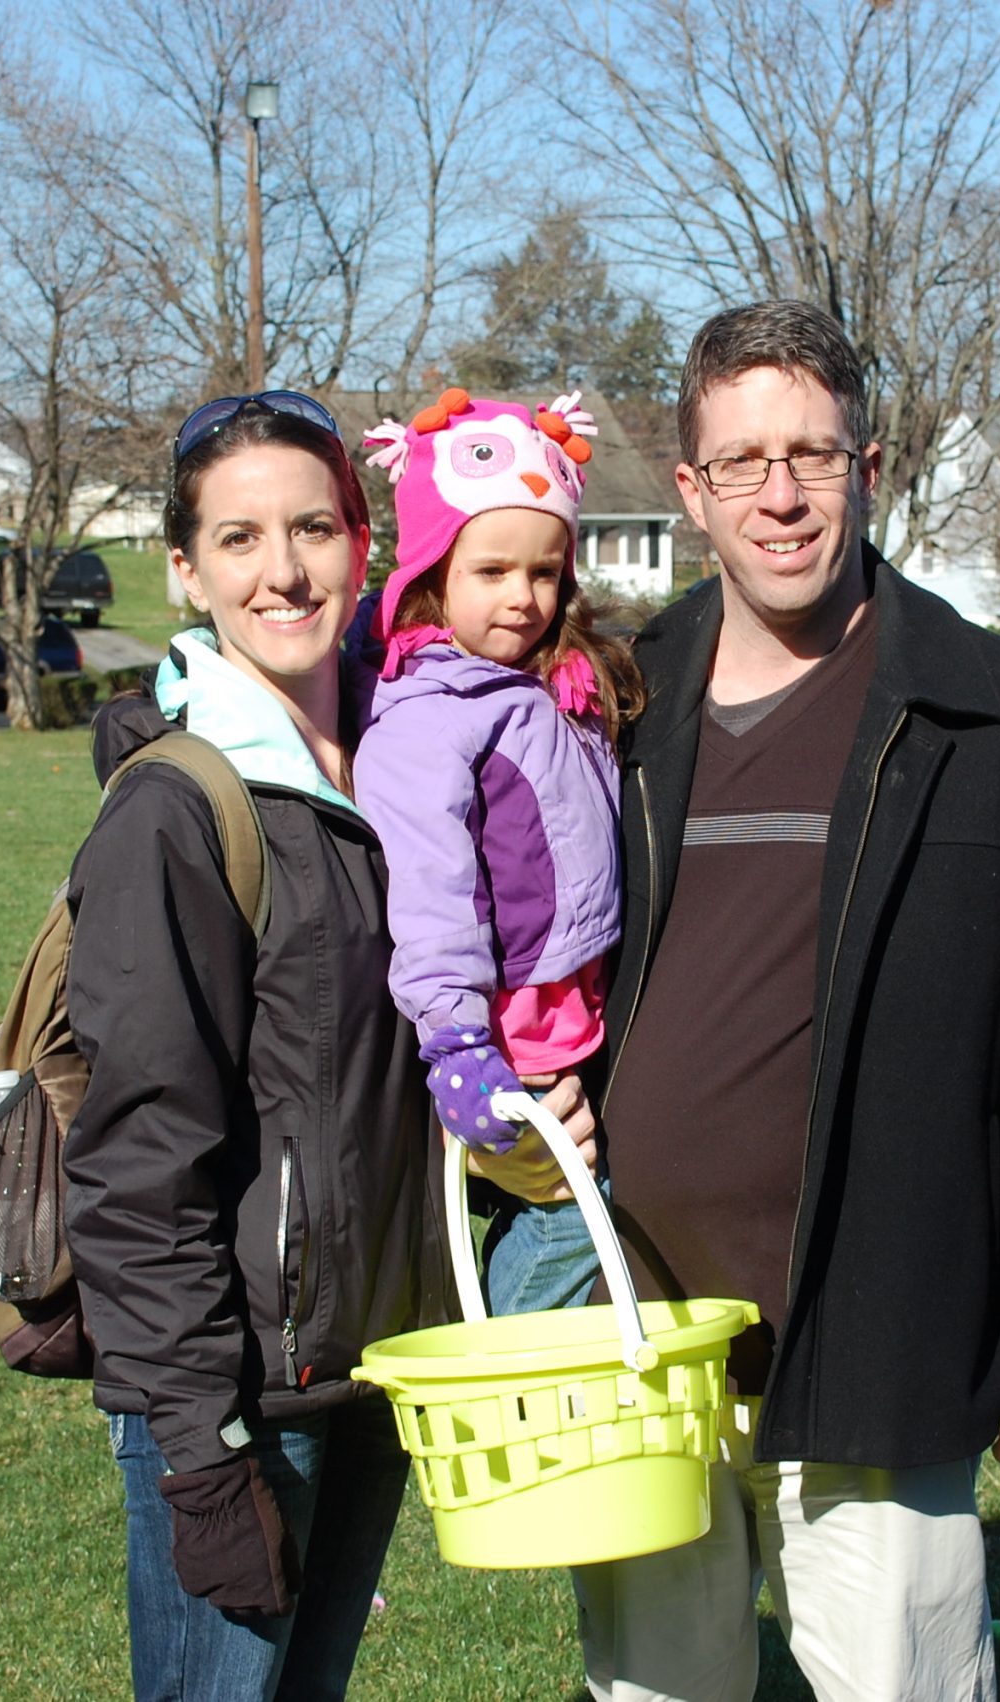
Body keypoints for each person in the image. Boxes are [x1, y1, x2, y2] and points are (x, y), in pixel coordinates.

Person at [576, 300, 1000, 1702]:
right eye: (746, 461)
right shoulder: (613, 702)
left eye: (816, 456)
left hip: (885, 1324)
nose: (782, 495)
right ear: (693, 489)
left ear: (872, 468)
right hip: (644, 1331)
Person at [59, 392, 595, 1702]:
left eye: (312, 526)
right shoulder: (183, 815)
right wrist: (200, 1447)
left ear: (369, 541)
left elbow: (413, 1044)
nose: (283, 569)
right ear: (185, 569)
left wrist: (515, 1142)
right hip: (243, 1380)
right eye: (237, 539)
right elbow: (138, 1158)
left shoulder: (421, 743)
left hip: (381, 1361)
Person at [354, 387, 641, 1316]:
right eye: (492, 571)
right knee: (568, 1204)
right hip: (504, 1028)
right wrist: (457, 1043)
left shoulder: (545, 682)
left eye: (545, 571)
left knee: (567, 1194)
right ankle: (503, 1363)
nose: (524, 596)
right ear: (437, 570)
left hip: (567, 1006)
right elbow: (432, 892)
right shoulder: (428, 718)